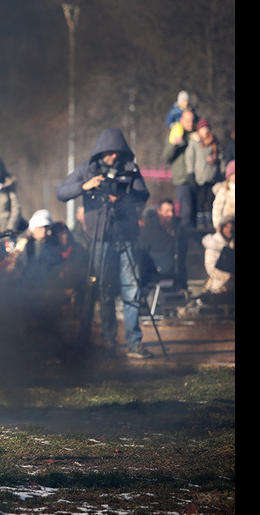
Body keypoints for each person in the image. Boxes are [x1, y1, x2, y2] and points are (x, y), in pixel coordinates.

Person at [56, 127, 153, 359]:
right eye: (109, 152)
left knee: (131, 289)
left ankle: (134, 342)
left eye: (117, 151)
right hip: (100, 238)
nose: (114, 156)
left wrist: (124, 197)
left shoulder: (130, 169)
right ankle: (109, 341)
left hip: (127, 237)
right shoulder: (86, 170)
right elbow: (61, 192)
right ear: (100, 151)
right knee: (104, 290)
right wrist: (85, 186)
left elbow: (143, 194)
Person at [138, 199, 188, 291]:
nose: (171, 214)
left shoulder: (179, 231)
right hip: (156, 277)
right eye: (167, 211)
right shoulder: (149, 231)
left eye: (172, 211)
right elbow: (143, 255)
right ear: (159, 212)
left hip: (176, 278)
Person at [185, 118, 224, 229]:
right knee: (201, 201)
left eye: (207, 128)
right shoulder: (194, 143)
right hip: (200, 178)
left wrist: (217, 163)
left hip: (213, 177)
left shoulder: (214, 142)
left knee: (211, 201)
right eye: (203, 128)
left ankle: (210, 222)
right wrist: (191, 175)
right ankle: (201, 223)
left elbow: (221, 158)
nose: (205, 130)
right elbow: (190, 159)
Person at [161, 110, 197, 228]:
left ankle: (196, 243)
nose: (190, 123)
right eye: (187, 121)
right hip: (182, 179)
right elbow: (165, 157)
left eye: (192, 120)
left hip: (197, 179)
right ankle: (185, 243)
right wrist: (174, 144)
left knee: (197, 214)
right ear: (181, 120)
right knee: (186, 213)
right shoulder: (176, 133)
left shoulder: (196, 135)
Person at [211, 160, 235, 230]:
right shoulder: (224, 190)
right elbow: (217, 208)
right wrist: (217, 224)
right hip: (227, 224)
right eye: (232, 175)